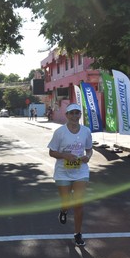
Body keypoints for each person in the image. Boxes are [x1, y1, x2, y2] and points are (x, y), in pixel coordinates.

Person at [47, 103, 93, 247]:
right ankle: (64, 209)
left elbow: (89, 149)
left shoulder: (86, 131)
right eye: (71, 113)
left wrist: (88, 156)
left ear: (80, 115)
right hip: (63, 172)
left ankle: (78, 234)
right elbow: (51, 152)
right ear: (66, 115)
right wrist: (64, 156)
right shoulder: (60, 132)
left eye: (77, 113)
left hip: (81, 171)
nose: (74, 116)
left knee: (79, 203)